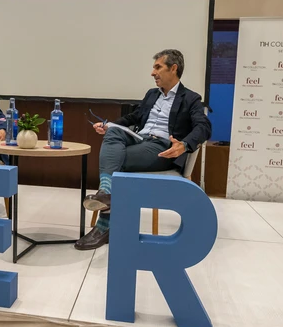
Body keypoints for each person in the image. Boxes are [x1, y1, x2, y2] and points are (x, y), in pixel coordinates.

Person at [75, 49, 212, 251]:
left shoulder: (190, 98)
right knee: (112, 134)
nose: (152, 72)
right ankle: (106, 192)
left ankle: (103, 226)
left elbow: (204, 127)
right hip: (139, 138)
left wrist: (184, 145)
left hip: (160, 147)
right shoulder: (151, 95)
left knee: (116, 163)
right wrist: (109, 124)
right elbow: (134, 118)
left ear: (173, 69)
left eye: (158, 67)